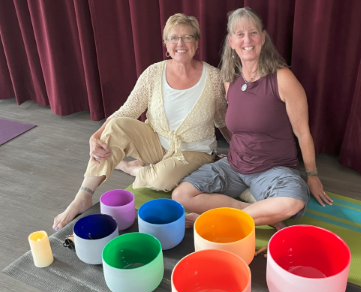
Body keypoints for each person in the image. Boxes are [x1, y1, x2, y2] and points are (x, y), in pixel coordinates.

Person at [53, 13, 230, 230]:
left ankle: (132, 169)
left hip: (195, 152)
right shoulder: (154, 73)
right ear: (166, 43)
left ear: (197, 42)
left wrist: (240, 152)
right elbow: (127, 110)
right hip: (156, 143)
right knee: (115, 126)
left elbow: (223, 119)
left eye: (187, 37)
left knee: (160, 181)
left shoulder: (213, 77)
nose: (180, 44)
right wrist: (96, 135)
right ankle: (83, 196)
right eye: (173, 38)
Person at [173, 7, 333, 233]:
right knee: (181, 195)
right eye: (239, 34)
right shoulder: (230, 81)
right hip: (234, 165)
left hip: (273, 169)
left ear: (263, 37)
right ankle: (252, 211)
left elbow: (303, 133)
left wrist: (313, 176)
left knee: (293, 202)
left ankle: (217, 219)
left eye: (253, 33)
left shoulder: (283, 78)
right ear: (231, 41)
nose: (247, 40)